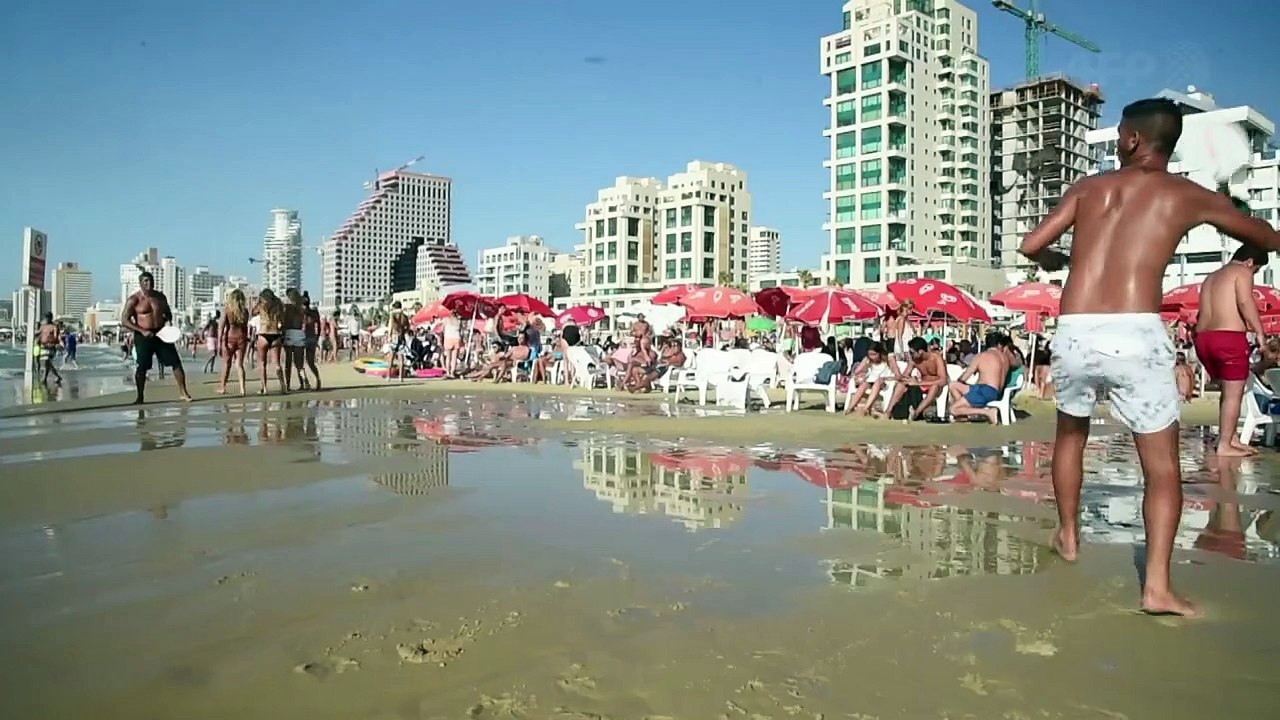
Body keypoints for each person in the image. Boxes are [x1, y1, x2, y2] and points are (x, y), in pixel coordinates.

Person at [1019, 97, 1280, 618]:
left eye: (1119, 134)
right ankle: (1156, 587)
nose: (1117, 142)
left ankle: (1068, 535)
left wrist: (1059, 259)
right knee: (1161, 468)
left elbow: (1031, 246)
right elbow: (1266, 237)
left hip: (1074, 329)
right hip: (1135, 331)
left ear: (1134, 139)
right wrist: (1241, 219)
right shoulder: (1186, 195)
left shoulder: (1089, 189)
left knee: (1071, 435)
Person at [1194, 244, 1275, 456]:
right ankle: (1224, 446)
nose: (1254, 274)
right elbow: (1245, 301)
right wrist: (1260, 333)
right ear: (1250, 262)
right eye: (1256, 270)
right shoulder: (1241, 271)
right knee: (1233, 395)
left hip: (1203, 339)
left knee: (1227, 391)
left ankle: (1230, 438)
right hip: (1228, 338)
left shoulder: (1211, 277)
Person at [121, 271, 192, 403]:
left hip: (161, 333)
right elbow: (124, 320)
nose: (149, 283)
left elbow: (167, 312)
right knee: (142, 366)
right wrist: (141, 331)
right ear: (141, 283)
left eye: (151, 280)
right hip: (143, 335)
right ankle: (140, 397)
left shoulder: (160, 297)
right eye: (146, 281)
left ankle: (184, 392)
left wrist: (169, 321)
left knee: (176, 363)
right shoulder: (134, 300)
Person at [948, 334, 1012, 424]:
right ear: (999, 345)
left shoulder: (982, 356)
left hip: (984, 391)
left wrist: (961, 383)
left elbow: (966, 376)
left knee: (953, 409)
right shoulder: (1005, 358)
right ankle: (963, 414)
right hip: (996, 392)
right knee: (953, 386)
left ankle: (988, 412)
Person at [883, 337, 947, 421]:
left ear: (920, 352)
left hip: (935, 385)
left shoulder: (936, 358)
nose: (910, 354)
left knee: (935, 386)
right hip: (922, 384)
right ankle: (888, 411)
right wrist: (905, 379)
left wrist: (918, 383)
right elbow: (905, 376)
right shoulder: (914, 360)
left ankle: (916, 413)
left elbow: (943, 380)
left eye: (912, 352)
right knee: (901, 384)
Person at [843, 341, 894, 415]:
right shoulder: (868, 359)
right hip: (871, 380)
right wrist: (860, 374)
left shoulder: (888, 359)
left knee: (878, 382)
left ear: (880, 353)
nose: (872, 357)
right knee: (863, 384)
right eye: (870, 354)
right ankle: (850, 407)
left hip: (885, 382)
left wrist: (886, 378)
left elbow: (897, 376)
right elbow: (857, 371)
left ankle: (866, 408)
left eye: (874, 354)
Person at [218, 288, 250, 396]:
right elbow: (245, 328)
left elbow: (221, 327)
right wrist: (246, 339)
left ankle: (222, 387)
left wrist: (220, 342)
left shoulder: (227, 310)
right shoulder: (245, 311)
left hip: (229, 339)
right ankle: (242, 389)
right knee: (239, 364)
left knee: (226, 364)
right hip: (241, 338)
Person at [254, 289, 287, 394]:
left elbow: (252, 312)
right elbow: (282, 319)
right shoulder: (278, 304)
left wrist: (256, 302)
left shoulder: (261, 304)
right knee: (277, 363)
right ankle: (283, 387)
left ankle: (264, 388)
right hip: (275, 334)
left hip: (263, 334)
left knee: (262, 363)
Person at [282, 289, 308, 390]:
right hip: (299, 333)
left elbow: (283, 320)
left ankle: (287, 385)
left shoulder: (287, 307)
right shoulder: (301, 308)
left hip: (289, 332)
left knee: (288, 362)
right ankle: (304, 383)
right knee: (299, 363)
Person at [300, 292, 323, 391]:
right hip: (312, 338)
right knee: (311, 363)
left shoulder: (300, 313)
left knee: (299, 363)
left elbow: (300, 327)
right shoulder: (314, 313)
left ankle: (304, 383)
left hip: (303, 338)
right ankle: (317, 379)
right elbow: (319, 327)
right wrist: (317, 337)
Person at [36, 313, 63, 385]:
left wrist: (60, 344)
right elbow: (38, 334)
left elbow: (58, 337)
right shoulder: (42, 327)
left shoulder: (54, 327)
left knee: (46, 361)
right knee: (48, 364)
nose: (44, 320)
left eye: (46, 318)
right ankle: (58, 376)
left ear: (49, 318)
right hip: (43, 347)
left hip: (51, 347)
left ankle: (44, 378)